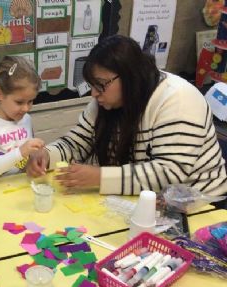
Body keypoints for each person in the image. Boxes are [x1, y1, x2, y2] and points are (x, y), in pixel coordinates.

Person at [27, 35, 227, 197]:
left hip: (200, 208)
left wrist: (100, 178)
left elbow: (170, 174)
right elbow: (78, 143)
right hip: (148, 202)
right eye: (92, 86)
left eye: (101, 84)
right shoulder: (107, 101)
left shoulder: (178, 99)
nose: (95, 94)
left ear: (129, 75)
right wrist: (47, 155)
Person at [0, 56, 45, 180]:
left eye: (31, 101)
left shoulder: (26, 119)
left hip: (16, 185)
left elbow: (26, 158)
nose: (26, 109)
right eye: (19, 102)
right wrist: (20, 152)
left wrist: (34, 160)